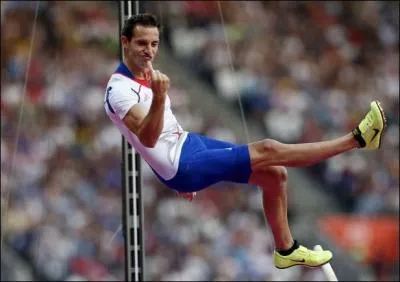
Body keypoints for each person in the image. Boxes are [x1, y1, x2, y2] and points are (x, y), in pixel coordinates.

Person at [104, 13, 387, 269]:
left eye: (154, 44)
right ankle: (358, 139)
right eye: (142, 44)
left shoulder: (146, 74)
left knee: (275, 175)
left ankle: (286, 249)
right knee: (269, 149)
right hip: (183, 165)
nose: (150, 51)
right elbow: (149, 138)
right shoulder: (119, 91)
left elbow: (146, 139)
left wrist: (169, 171)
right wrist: (174, 172)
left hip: (187, 146)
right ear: (124, 42)